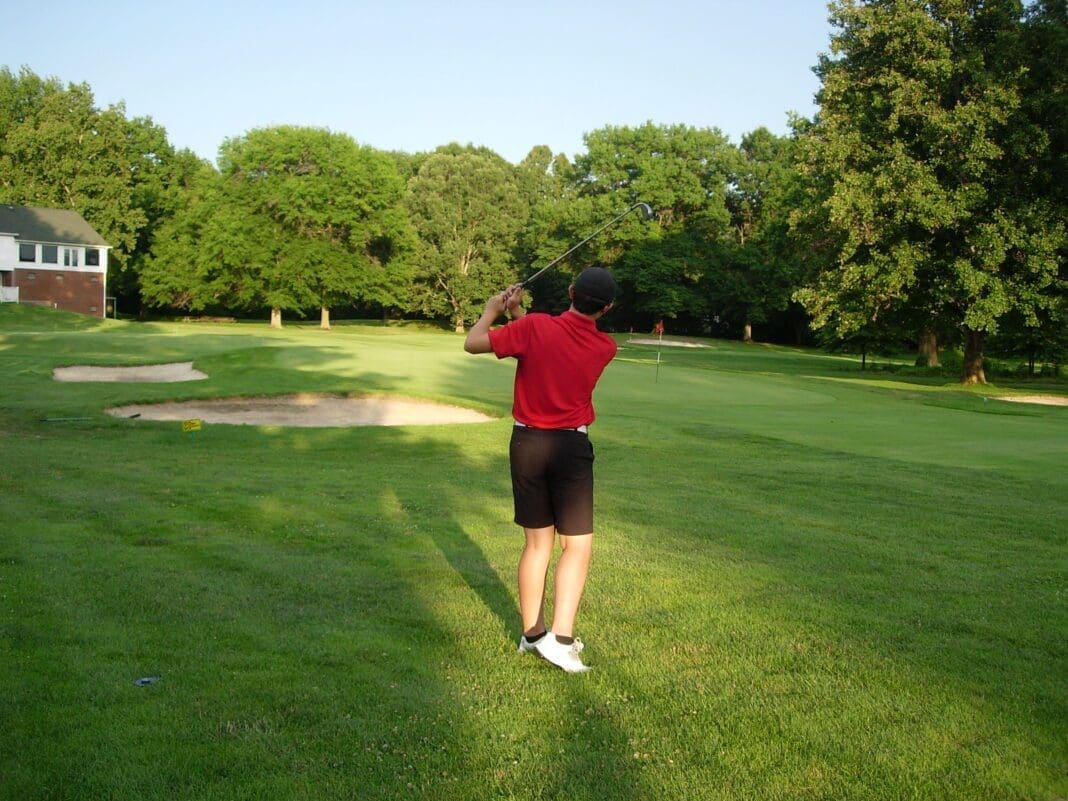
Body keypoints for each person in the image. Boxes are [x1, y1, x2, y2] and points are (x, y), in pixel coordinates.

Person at [464, 267, 618, 673]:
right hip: (570, 447)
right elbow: (553, 345)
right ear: (607, 308)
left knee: (537, 545)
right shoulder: (605, 347)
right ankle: (561, 641)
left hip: (527, 445)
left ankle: (533, 636)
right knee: (577, 546)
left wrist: (493, 310)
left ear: (570, 291)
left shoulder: (534, 327)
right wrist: (519, 315)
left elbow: (473, 342)